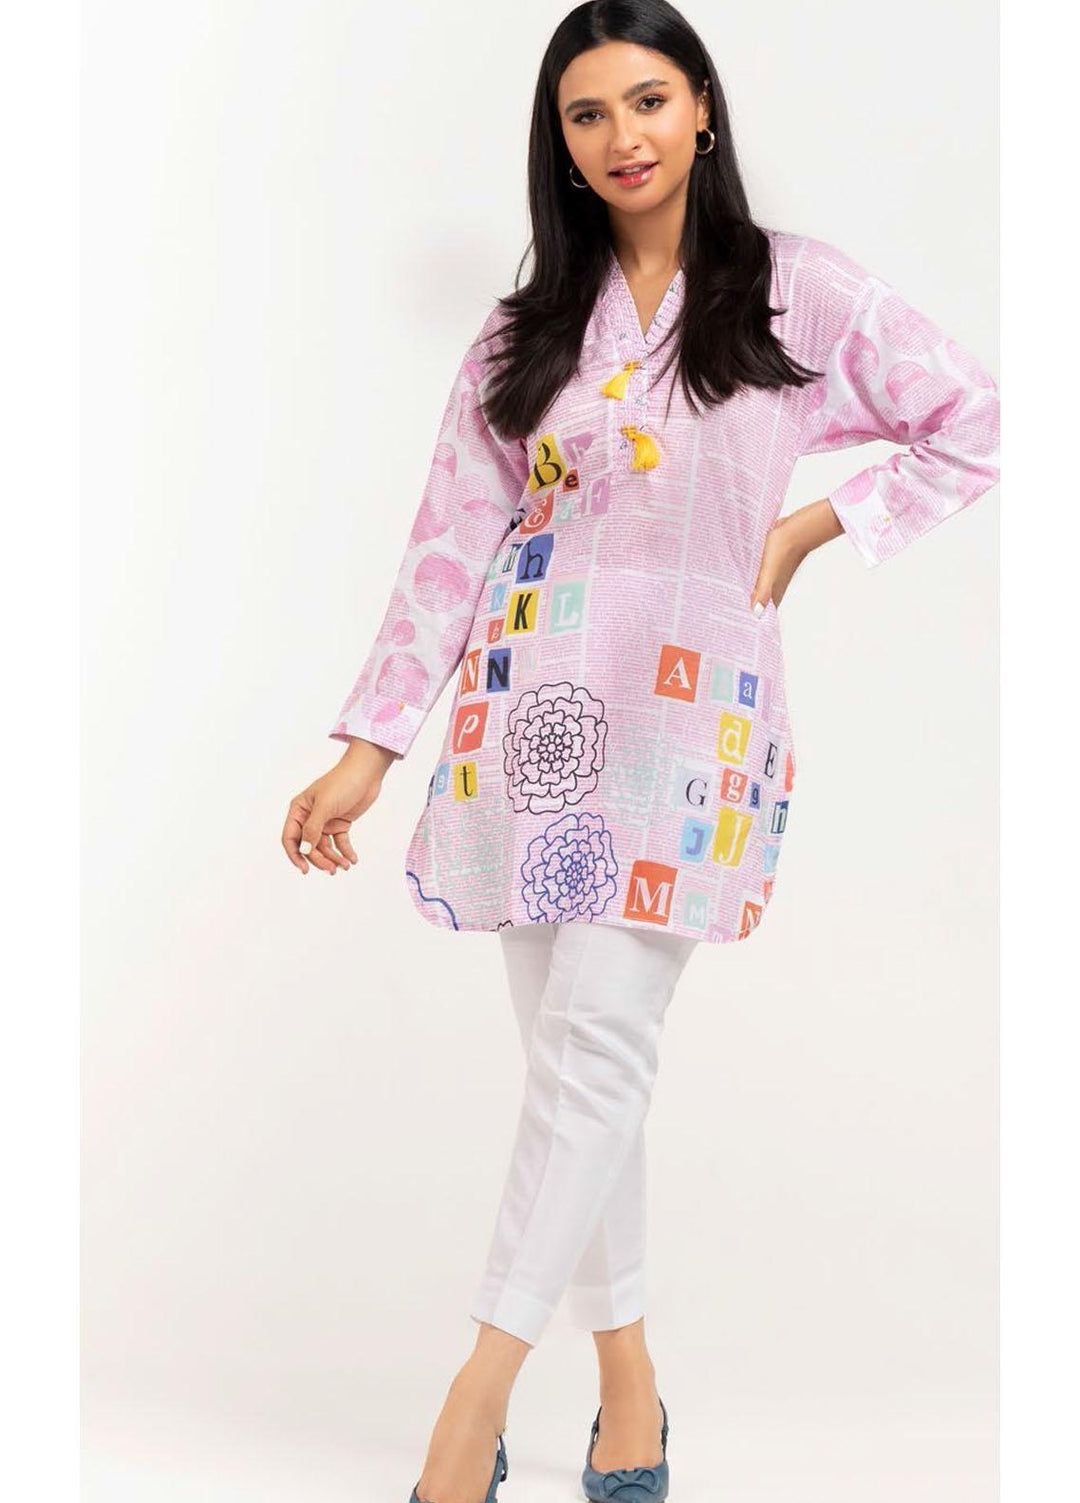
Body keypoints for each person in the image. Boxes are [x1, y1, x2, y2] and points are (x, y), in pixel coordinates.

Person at [280, 3, 1000, 1500]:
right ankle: (628, 1388)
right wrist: (370, 747)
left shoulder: (800, 294)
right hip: (526, 731)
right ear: (560, 142)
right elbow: (449, 544)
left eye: (650, 100)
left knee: (594, 1054)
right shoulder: (523, 335)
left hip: (690, 731)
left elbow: (973, 419)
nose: (624, 137)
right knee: (575, 1072)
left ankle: (475, 1397)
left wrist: (814, 526)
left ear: (704, 108)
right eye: (588, 113)